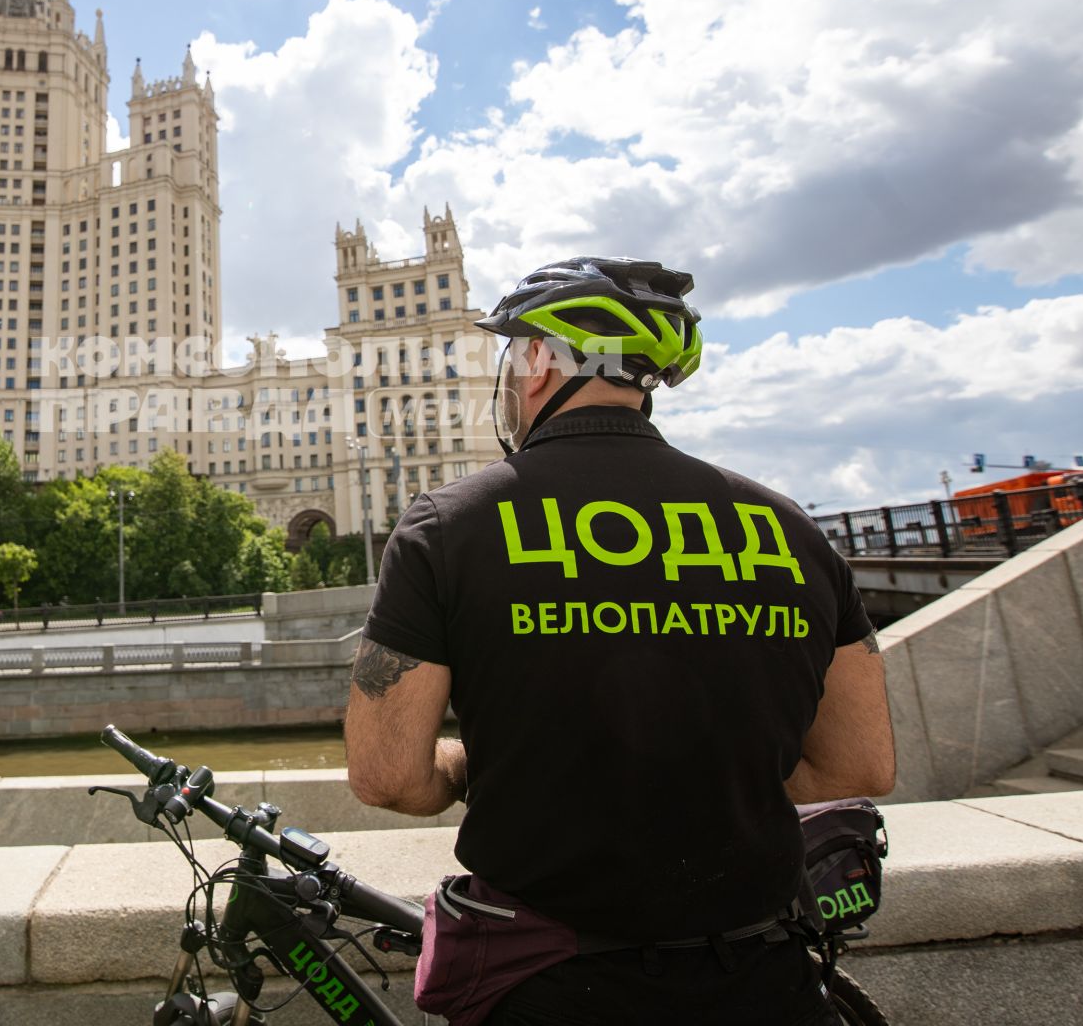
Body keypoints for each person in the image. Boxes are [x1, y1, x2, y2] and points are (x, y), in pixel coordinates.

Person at [343, 257, 894, 1025]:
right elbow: (861, 764)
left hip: (557, 989)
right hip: (765, 981)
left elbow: (387, 775)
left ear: (538, 361)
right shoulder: (788, 527)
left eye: (512, 355)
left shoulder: (450, 526)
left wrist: (472, 766)